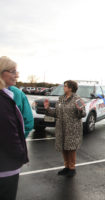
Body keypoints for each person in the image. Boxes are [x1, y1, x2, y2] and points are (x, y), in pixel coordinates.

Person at [0, 56, 29, 200]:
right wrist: (20, 155)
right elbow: (9, 134)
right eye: (12, 71)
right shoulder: (2, 100)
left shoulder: (7, 95)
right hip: (6, 167)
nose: (16, 75)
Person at [44, 80, 86, 177]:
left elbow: (83, 114)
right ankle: (66, 167)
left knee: (71, 148)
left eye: (65, 86)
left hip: (72, 129)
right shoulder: (61, 98)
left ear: (70, 88)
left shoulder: (77, 99)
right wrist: (47, 109)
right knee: (64, 147)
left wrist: (80, 110)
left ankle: (72, 168)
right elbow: (56, 113)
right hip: (61, 128)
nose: (64, 87)